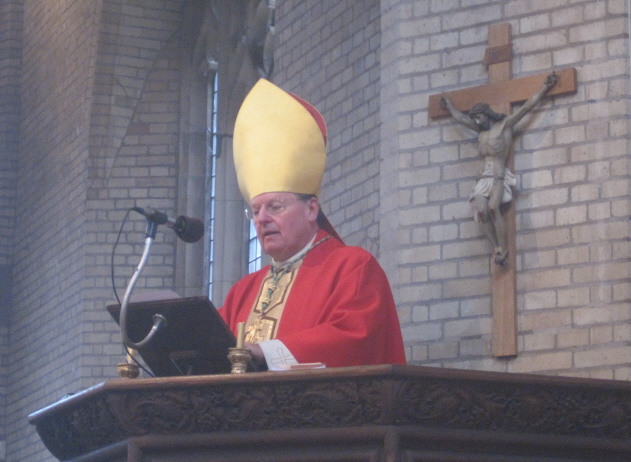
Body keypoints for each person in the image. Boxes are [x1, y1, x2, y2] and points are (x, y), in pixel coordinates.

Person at [218, 78, 406, 370]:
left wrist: (263, 353)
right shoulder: (243, 291)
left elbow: (355, 339)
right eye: (255, 211)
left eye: (275, 207)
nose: (262, 218)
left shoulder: (352, 267)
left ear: (311, 209)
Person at [441, 72, 559, 267]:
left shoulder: (504, 125)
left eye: (479, 117)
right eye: (476, 118)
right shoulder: (481, 131)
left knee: (493, 208)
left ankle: (502, 248)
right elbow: (461, 119)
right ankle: (495, 246)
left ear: (486, 114)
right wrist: (450, 106)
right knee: (480, 210)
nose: (477, 121)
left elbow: (528, 107)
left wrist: (545, 88)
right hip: (482, 178)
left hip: (498, 175)